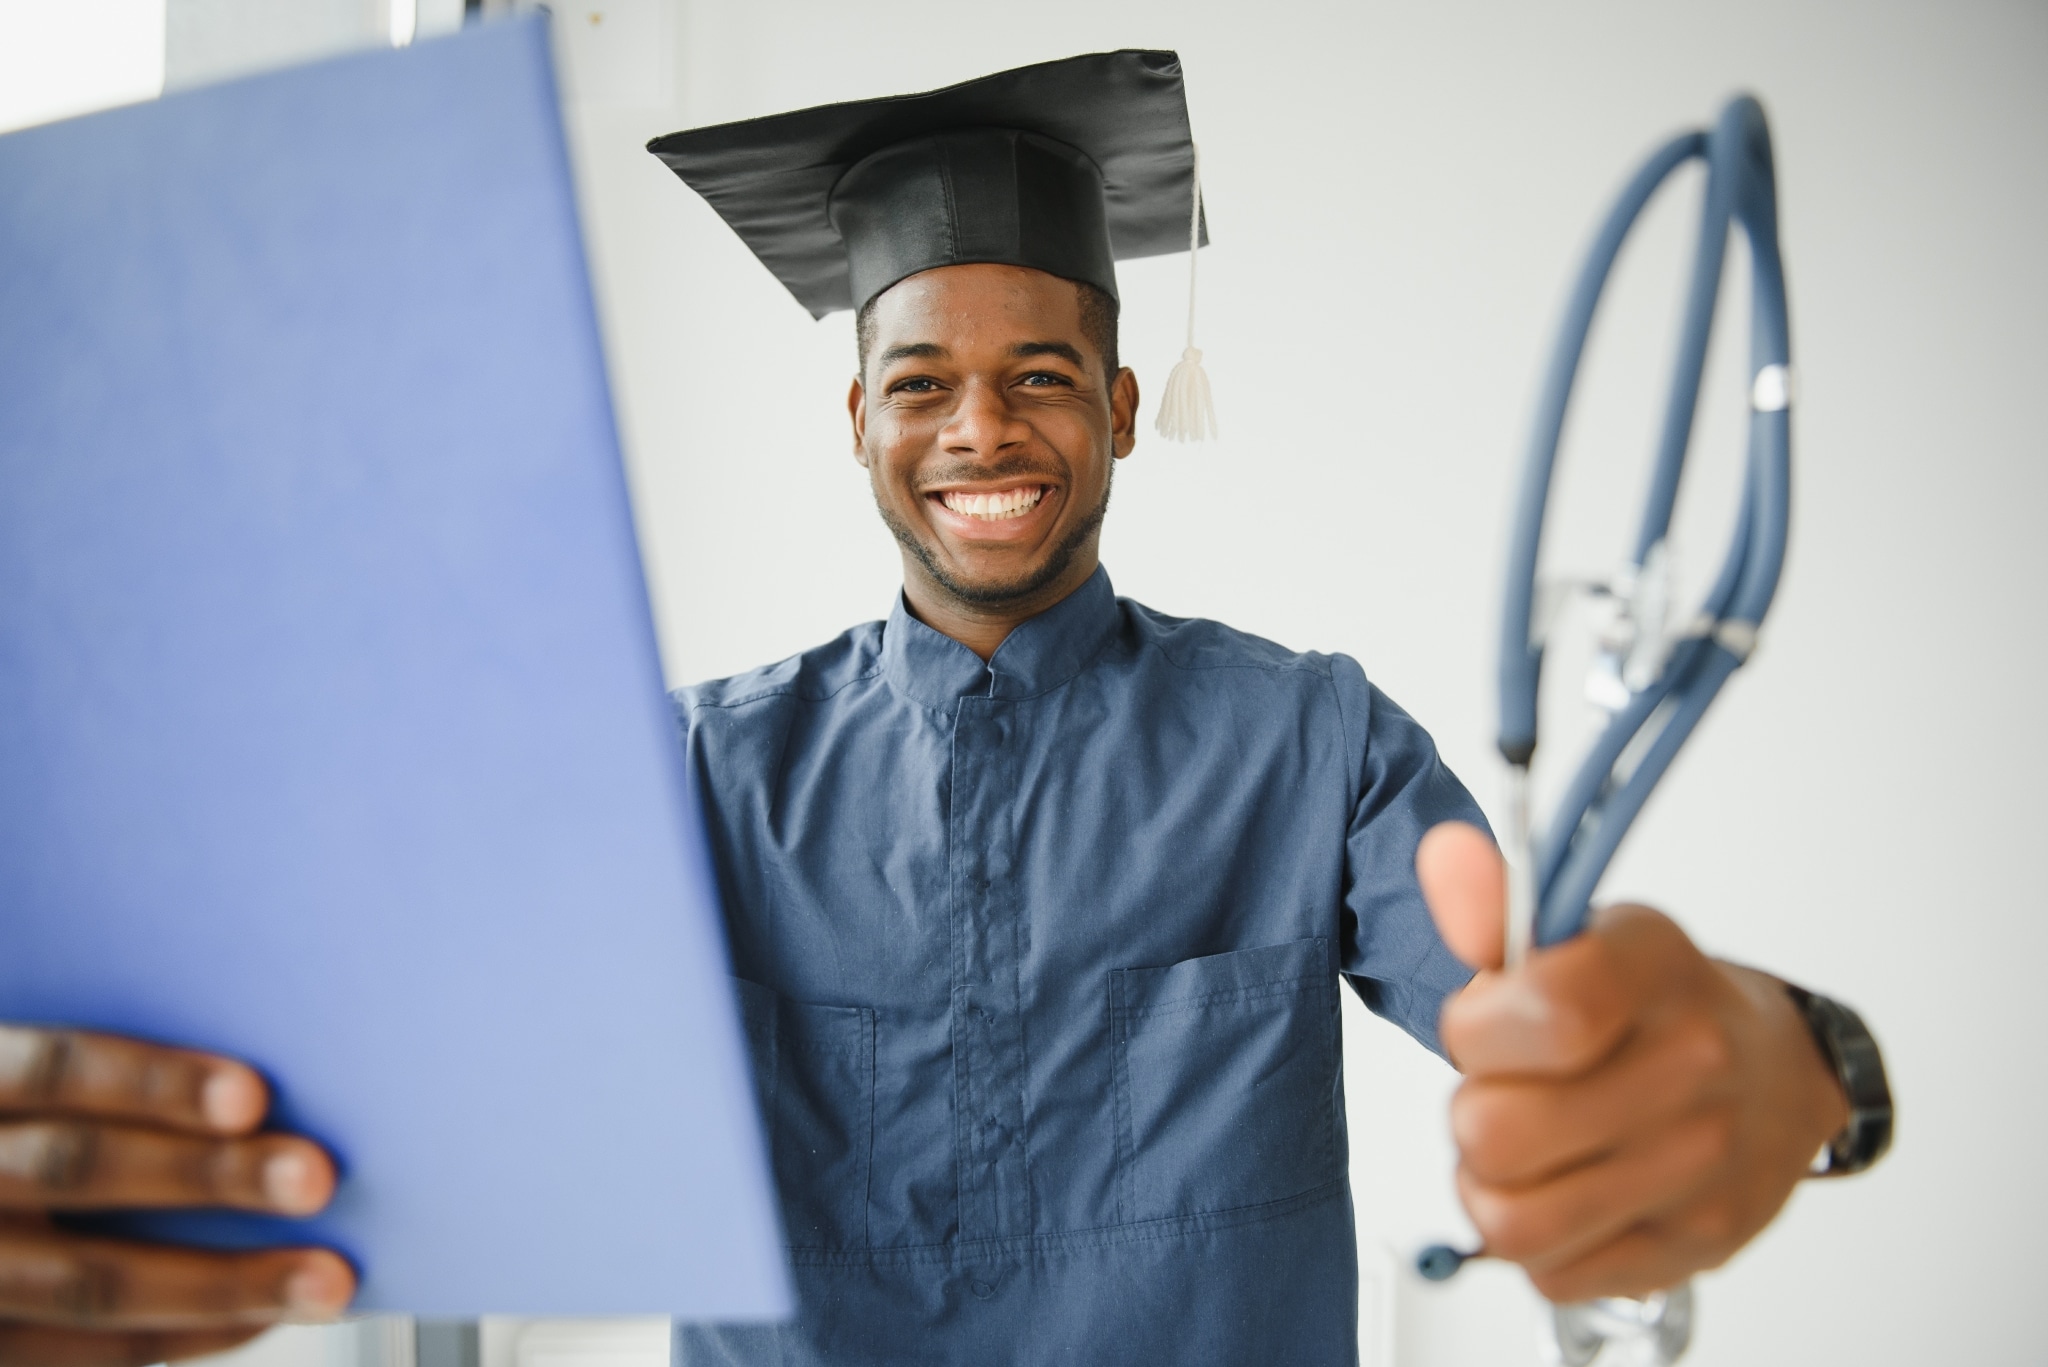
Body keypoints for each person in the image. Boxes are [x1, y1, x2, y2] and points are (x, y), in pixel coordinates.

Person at [0, 50, 1887, 1367]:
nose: (980, 429)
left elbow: (1544, 1013)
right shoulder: (682, 772)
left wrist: (1781, 1055)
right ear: (860, 419)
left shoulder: (1313, 742)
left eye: (1045, 373)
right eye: (921, 383)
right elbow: (395, 1051)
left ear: (1123, 409)